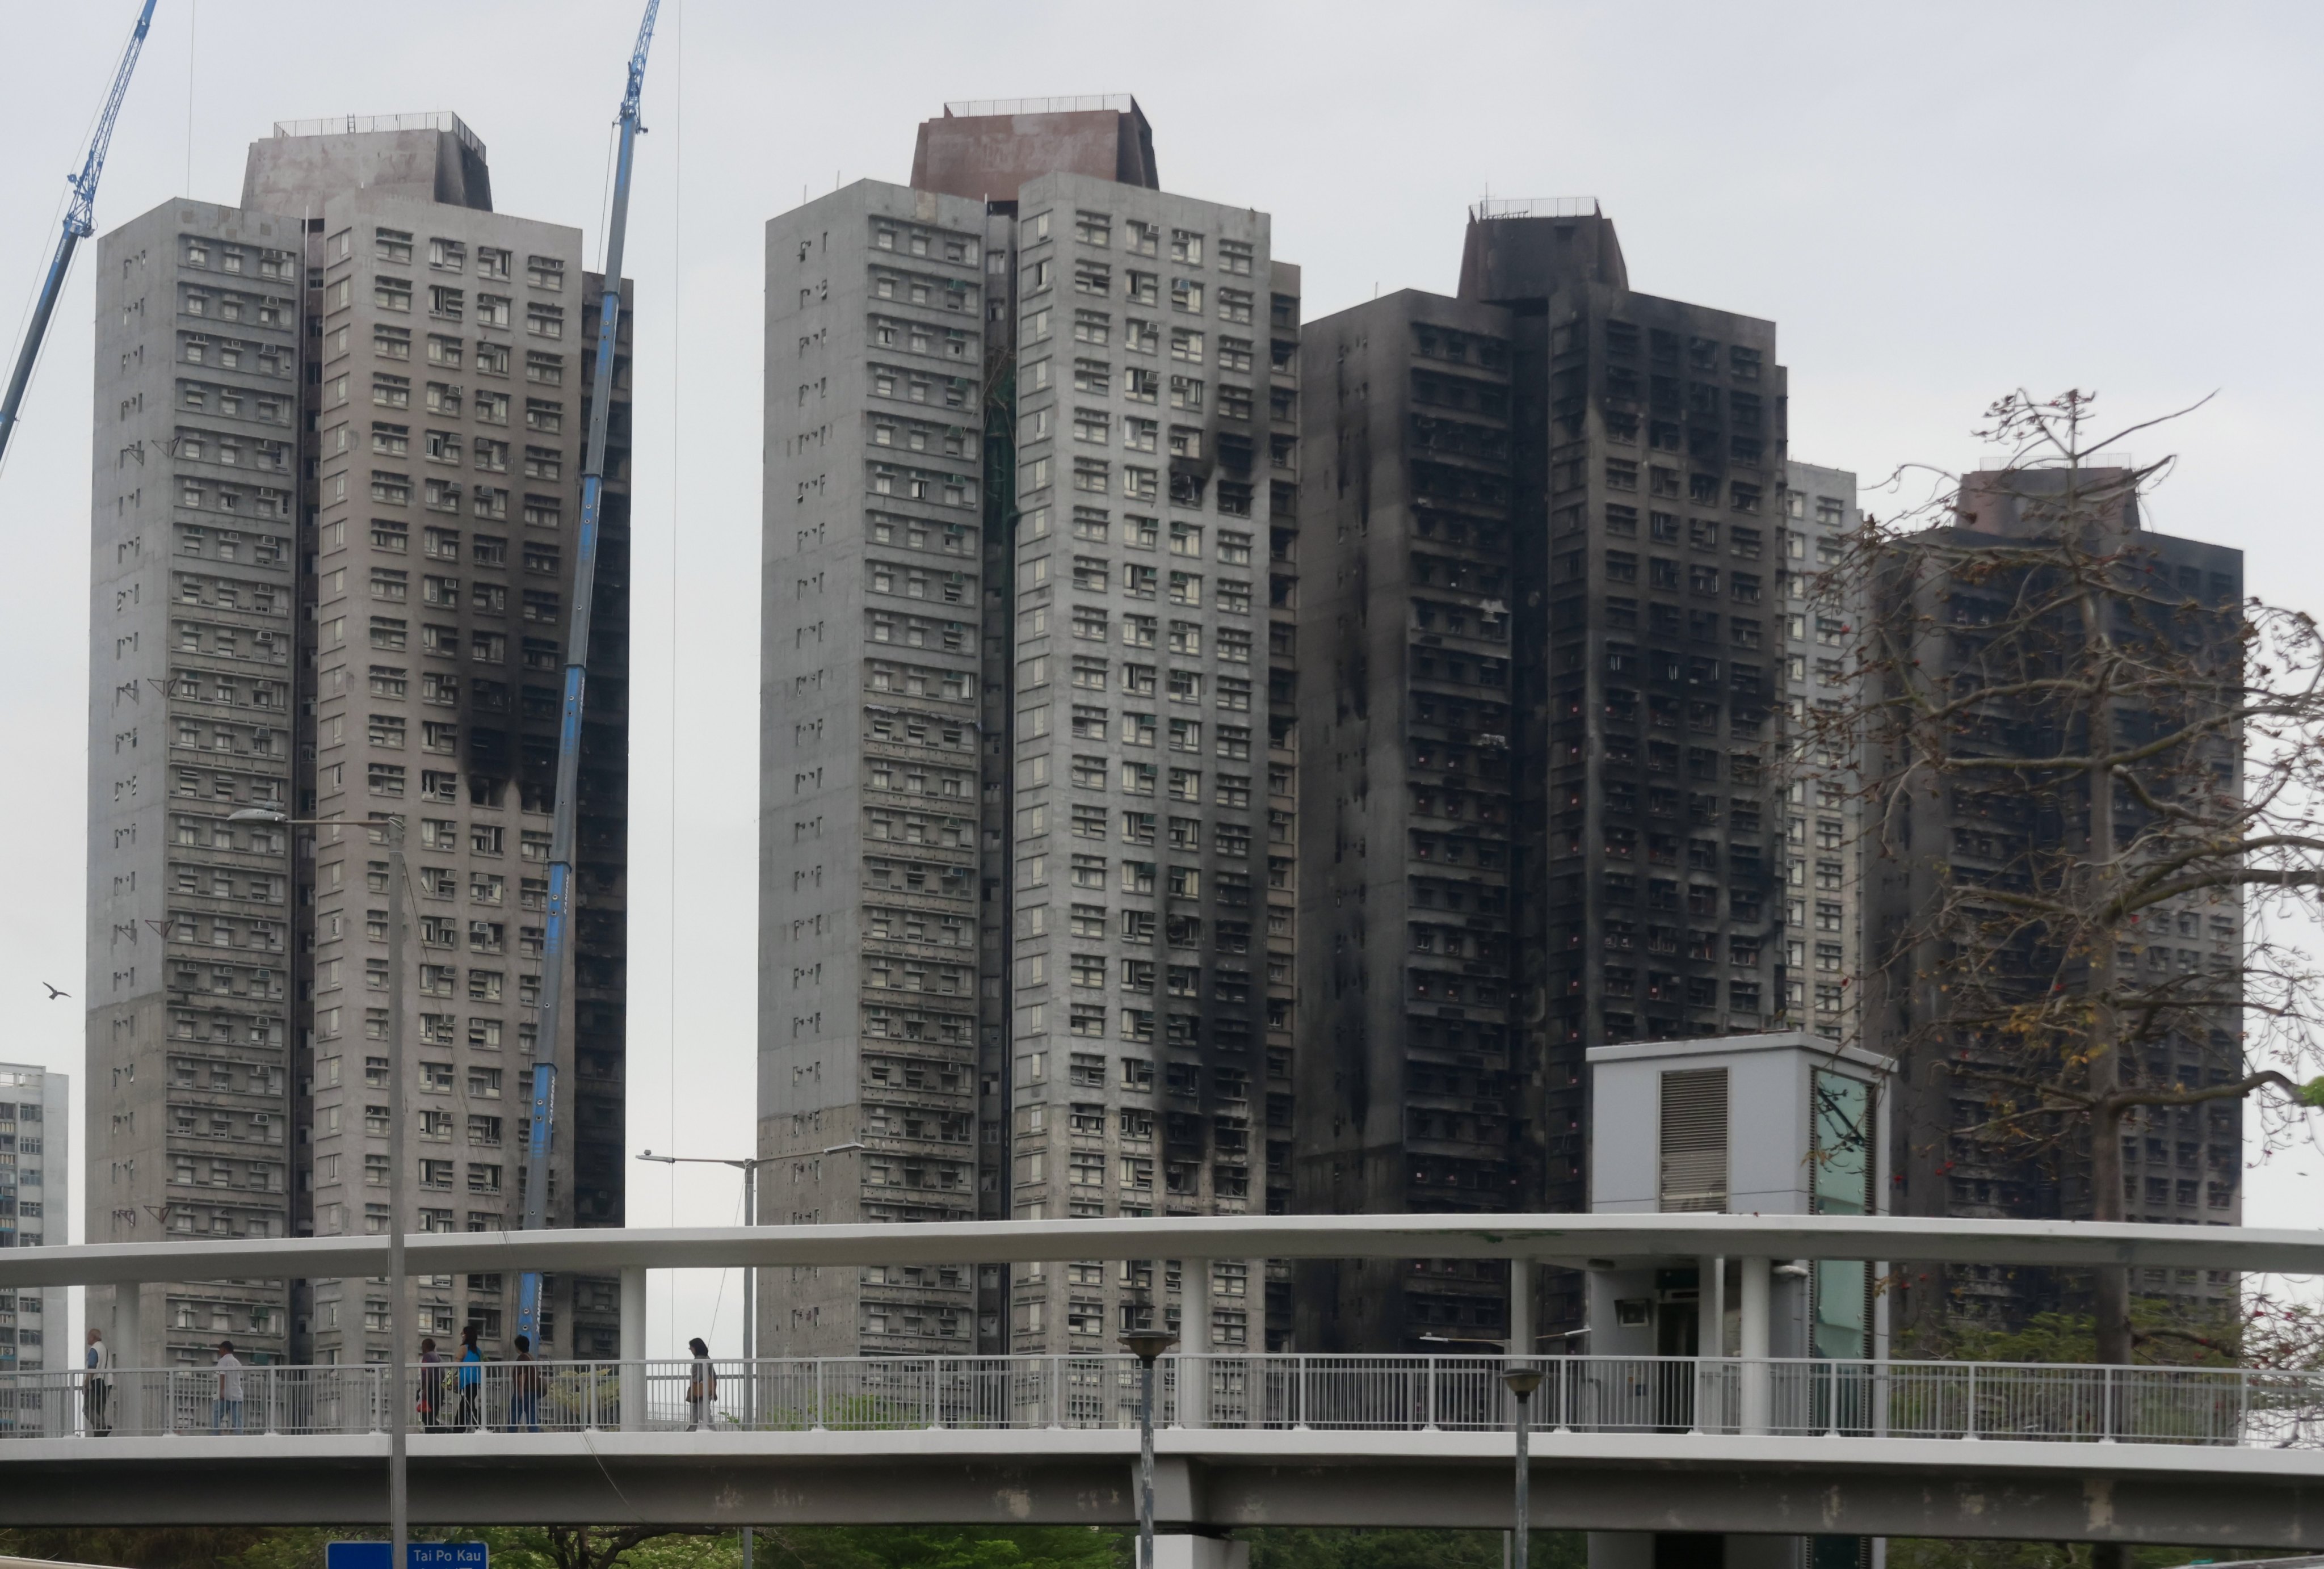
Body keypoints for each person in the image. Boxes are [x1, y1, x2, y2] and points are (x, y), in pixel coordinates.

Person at [509, 1332, 541, 1433]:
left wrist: (520, 1391)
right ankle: (534, 1432)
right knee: (532, 1413)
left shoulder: (522, 1358)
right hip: (533, 1390)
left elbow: (522, 1375)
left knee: (514, 1412)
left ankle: (511, 1432)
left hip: (525, 1390)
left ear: (518, 1346)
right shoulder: (530, 1357)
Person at [453, 1325, 483, 1431]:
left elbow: (456, 1364)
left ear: (467, 1336)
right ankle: (458, 1429)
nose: (462, 1336)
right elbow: (485, 1361)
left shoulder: (463, 1348)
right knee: (466, 1404)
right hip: (476, 1381)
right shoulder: (478, 1351)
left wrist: (450, 1378)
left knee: (468, 1405)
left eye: (463, 1334)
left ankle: (481, 1426)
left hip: (466, 1381)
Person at [212, 1340, 245, 1434]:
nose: (220, 1352)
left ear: (224, 1350)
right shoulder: (237, 1362)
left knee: (217, 1416)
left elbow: (222, 1376)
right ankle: (239, 1437)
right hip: (237, 1395)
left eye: (220, 1349)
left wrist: (221, 1392)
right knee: (237, 1419)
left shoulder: (223, 1361)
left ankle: (215, 1436)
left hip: (226, 1395)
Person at [684, 1336, 717, 1431]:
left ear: (696, 1348)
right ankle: (714, 1433)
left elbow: (697, 1376)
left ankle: (715, 1435)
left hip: (699, 1391)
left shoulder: (699, 1360)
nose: (691, 1350)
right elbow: (713, 1375)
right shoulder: (708, 1358)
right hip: (706, 1391)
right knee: (703, 1415)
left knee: (700, 1416)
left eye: (691, 1348)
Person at [83, 1327, 111, 1438]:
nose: (87, 1339)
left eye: (88, 1337)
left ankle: (102, 1427)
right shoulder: (105, 1349)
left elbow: (92, 1367)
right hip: (106, 1384)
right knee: (99, 1410)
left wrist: (86, 1384)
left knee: (87, 1409)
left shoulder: (94, 1349)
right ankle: (100, 1434)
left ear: (93, 1337)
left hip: (96, 1383)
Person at [416, 1337, 444, 1432]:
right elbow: (443, 1374)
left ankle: (445, 1431)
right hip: (440, 1388)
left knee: (426, 1418)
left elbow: (428, 1373)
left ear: (425, 1347)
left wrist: (424, 1391)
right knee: (431, 1416)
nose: (422, 1348)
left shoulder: (427, 1356)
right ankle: (430, 1435)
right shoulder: (439, 1357)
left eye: (422, 1346)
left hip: (431, 1388)